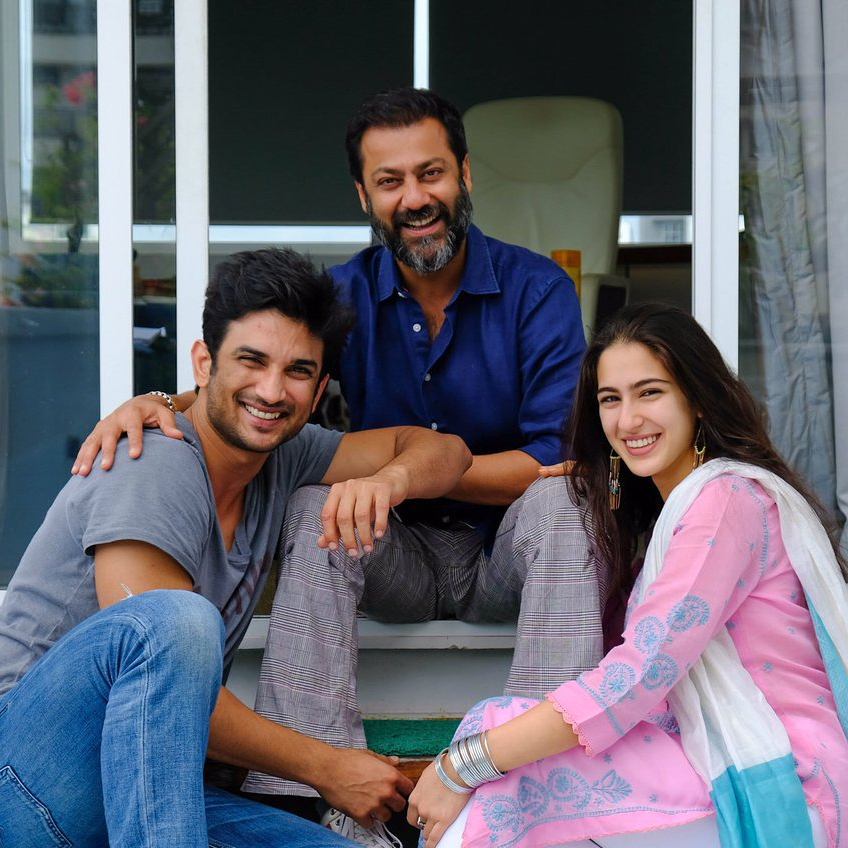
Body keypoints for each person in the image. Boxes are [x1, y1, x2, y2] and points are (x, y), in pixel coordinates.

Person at [75, 86, 602, 802]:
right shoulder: (339, 298)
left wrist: (406, 476)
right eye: (390, 181)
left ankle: (541, 782)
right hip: (392, 557)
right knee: (311, 508)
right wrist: (162, 402)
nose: (415, 198)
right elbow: (264, 393)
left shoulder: (539, 289)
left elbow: (553, 463)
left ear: (466, 175)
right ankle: (310, 792)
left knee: (565, 502)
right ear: (363, 193)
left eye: (431, 173)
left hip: (503, 551)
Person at [0, 248, 472, 847]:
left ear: (320, 385)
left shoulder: (284, 455)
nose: (272, 391)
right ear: (204, 362)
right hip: (27, 776)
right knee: (173, 621)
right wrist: (326, 767)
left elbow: (445, 452)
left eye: (298, 371)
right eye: (251, 360)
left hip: (146, 782)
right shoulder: (155, 461)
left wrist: (388, 482)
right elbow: (159, 668)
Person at [406, 303, 848, 848]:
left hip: (780, 772)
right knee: (502, 738)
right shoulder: (682, 509)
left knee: (508, 769)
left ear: (698, 399)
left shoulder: (726, 500)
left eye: (650, 392)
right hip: (706, 752)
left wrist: (460, 766)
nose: (627, 420)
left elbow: (637, 677)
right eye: (610, 400)